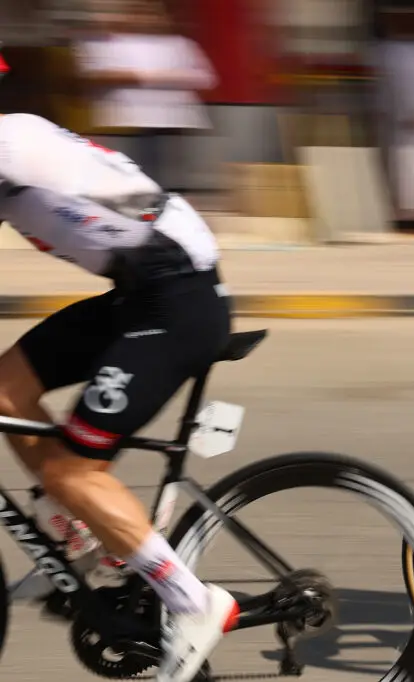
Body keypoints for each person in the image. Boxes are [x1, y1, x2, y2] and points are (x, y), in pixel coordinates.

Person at [0, 109, 237, 682]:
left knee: (74, 471)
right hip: (143, 293)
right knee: (6, 391)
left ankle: (193, 602)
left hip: (175, 299)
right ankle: (84, 531)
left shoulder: (5, 143)